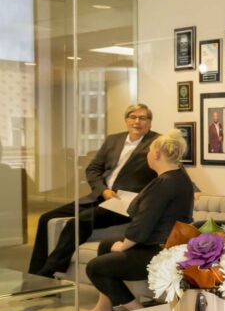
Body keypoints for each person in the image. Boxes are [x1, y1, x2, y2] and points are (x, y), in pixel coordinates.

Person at [29, 104, 159, 278]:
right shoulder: (114, 140)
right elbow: (93, 169)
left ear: (150, 122)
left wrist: (193, 189)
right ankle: (34, 275)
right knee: (46, 218)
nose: (137, 121)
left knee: (81, 220)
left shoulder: (157, 142)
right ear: (126, 120)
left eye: (143, 118)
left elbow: (171, 168)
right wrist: (103, 190)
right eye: (132, 116)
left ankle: (48, 271)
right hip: (100, 196)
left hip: (124, 203)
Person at [81, 130, 195, 311]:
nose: (147, 155)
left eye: (149, 151)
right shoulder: (179, 178)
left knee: (95, 267)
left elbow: (144, 221)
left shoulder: (165, 183)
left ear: (157, 154)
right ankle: (103, 306)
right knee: (105, 245)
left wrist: (125, 245)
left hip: (159, 251)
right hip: (167, 244)